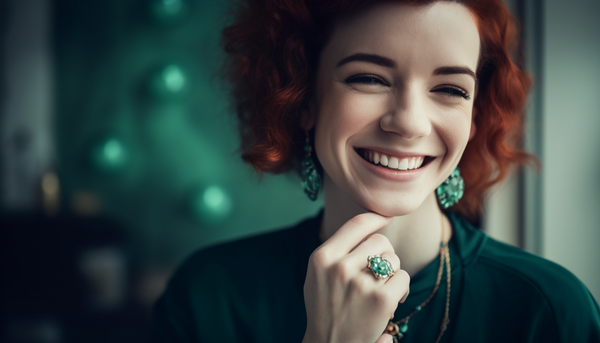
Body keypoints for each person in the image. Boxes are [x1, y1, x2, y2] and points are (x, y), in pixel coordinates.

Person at [151, 0, 600, 342]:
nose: (408, 122)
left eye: (449, 89)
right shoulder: (208, 298)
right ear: (303, 98)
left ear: (475, 118)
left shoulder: (551, 311)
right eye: (369, 78)